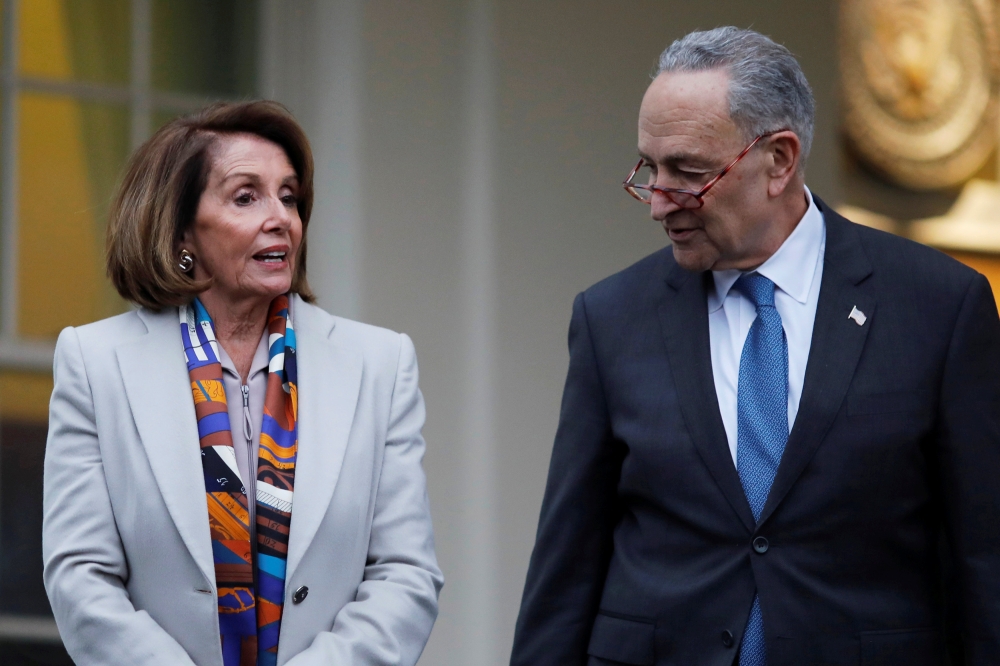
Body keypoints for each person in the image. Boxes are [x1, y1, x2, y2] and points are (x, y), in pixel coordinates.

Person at [510, 27, 1000, 665]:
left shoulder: (939, 306)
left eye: (687, 172)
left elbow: (984, 556)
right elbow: (566, 562)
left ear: (779, 160)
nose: (658, 203)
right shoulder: (612, 318)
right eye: (649, 169)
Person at [43, 101, 442, 666]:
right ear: (182, 231)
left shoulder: (380, 363)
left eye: (289, 196)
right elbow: (79, 575)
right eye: (246, 196)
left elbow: (406, 573)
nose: (280, 216)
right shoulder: (95, 362)